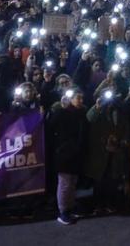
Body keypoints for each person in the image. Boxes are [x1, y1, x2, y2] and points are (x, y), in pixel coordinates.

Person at [85, 84, 129, 215]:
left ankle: (110, 203)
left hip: (115, 149)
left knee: (112, 179)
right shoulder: (97, 110)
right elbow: (89, 119)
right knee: (99, 180)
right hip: (100, 150)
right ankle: (98, 205)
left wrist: (122, 140)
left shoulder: (118, 111)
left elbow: (125, 127)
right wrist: (97, 107)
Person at [50, 87, 87, 225]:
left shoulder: (82, 113)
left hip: (76, 153)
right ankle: (63, 211)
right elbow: (51, 126)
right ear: (70, 99)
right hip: (64, 153)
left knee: (72, 182)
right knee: (65, 183)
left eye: (81, 98)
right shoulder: (61, 112)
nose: (80, 100)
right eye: (78, 98)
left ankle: (70, 207)